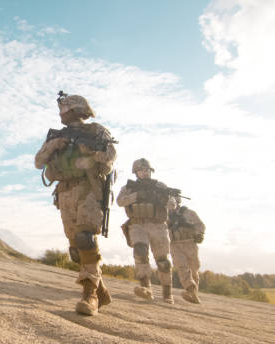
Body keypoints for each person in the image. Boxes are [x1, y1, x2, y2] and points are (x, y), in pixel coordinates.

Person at [34, 92, 117, 316]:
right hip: (65, 192)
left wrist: (90, 155)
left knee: (86, 238)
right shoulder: (55, 135)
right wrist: (54, 146)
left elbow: (109, 161)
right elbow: (38, 162)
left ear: (77, 109)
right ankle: (101, 291)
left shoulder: (97, 131)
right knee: (76, 251)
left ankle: (90, 296)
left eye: (66, 108)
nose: (61, 112)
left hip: (89, 188)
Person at [116, 158, 177, 304]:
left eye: (147, 170)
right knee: (140, 252)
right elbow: (120, 201)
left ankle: (167, 292)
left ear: (151, 171)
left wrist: (160, 198)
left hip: (158, 226)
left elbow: (173, 204)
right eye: (141, 170)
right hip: (137, 225)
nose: (145, 172)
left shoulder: (160, 186)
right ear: (136, 172)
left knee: (163, 261)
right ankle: (146, 288)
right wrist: (137, 196)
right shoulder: (129, 187)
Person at [168, 196, 205, 304]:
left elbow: (201, 225)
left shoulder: (189, 213)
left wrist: (198, 233)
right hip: (175, 244)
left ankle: (194, 294)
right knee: (182, 267)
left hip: (190, 243)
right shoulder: (164, 215)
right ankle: (190, 289)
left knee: (194, 269)